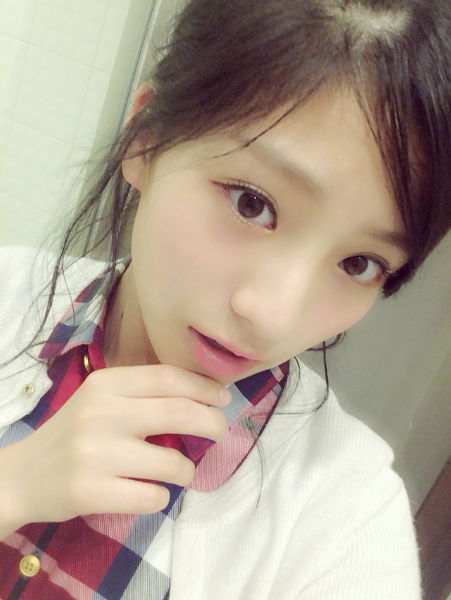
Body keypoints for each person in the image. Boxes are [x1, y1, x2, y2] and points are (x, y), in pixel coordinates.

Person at [0, 0, 449, 598]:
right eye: (251, 203)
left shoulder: (346, 514)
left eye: (358, 264)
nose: (274, 316)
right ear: (145, 140)